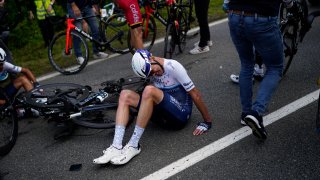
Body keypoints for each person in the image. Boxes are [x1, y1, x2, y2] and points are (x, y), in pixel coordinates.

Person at [93, 49, 212, 165]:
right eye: (149, 74)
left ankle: (133, 145)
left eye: (151, 70)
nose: (153, 74)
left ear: (151, 58)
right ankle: (116, 146)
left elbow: (195, 95)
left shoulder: (174, 67)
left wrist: (207, 122)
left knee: (149, 90)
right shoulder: (149, 68)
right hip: (162, 115)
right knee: (125, 95)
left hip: (180, 115)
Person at [227, 0, 294, 140]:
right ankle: (256, 112)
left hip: (235, 14)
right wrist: (290, 5)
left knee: (246, 64)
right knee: (275, 67)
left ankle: (245, 113)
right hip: (262, 17)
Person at [0, 46, 40, 117]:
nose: (1, 66)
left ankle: (36, 100)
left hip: (4, 92)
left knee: (22, 79)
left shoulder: (5, 65)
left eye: (1, 63)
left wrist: (36, 84)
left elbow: (26, 71)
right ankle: (16, 112)